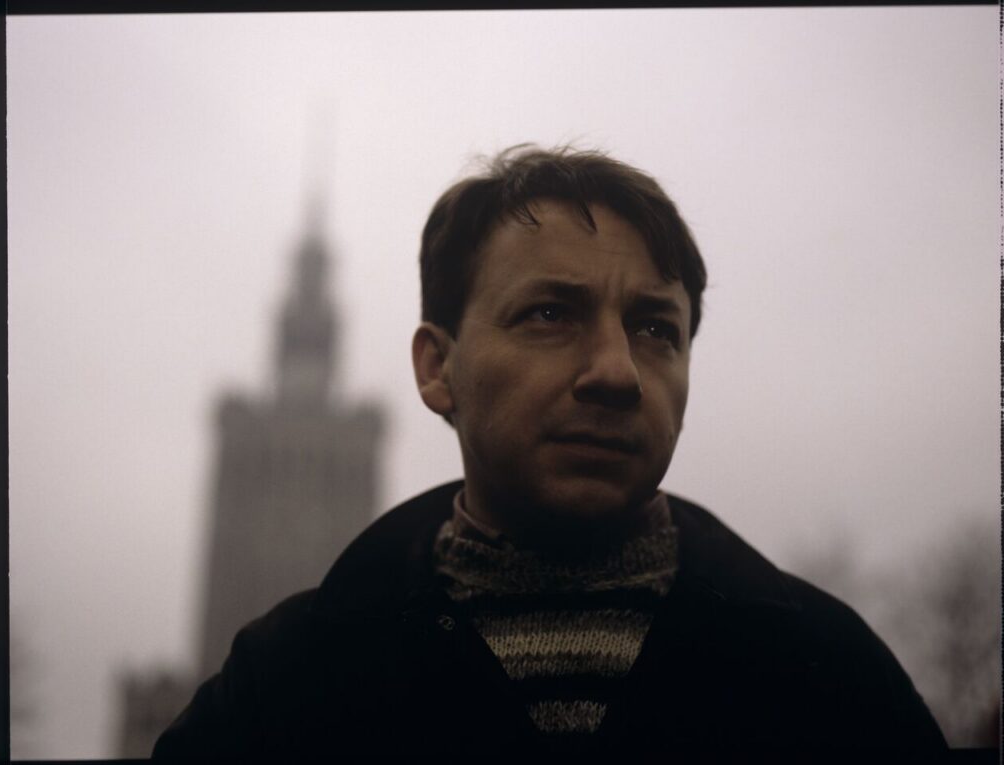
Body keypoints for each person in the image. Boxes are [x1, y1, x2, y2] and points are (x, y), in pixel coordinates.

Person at [153, 145, 947, 758]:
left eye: (654, 328)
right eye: (548, 314)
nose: (616, 371)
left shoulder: (831, 677)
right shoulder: (278, 693)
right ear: (438, 367)